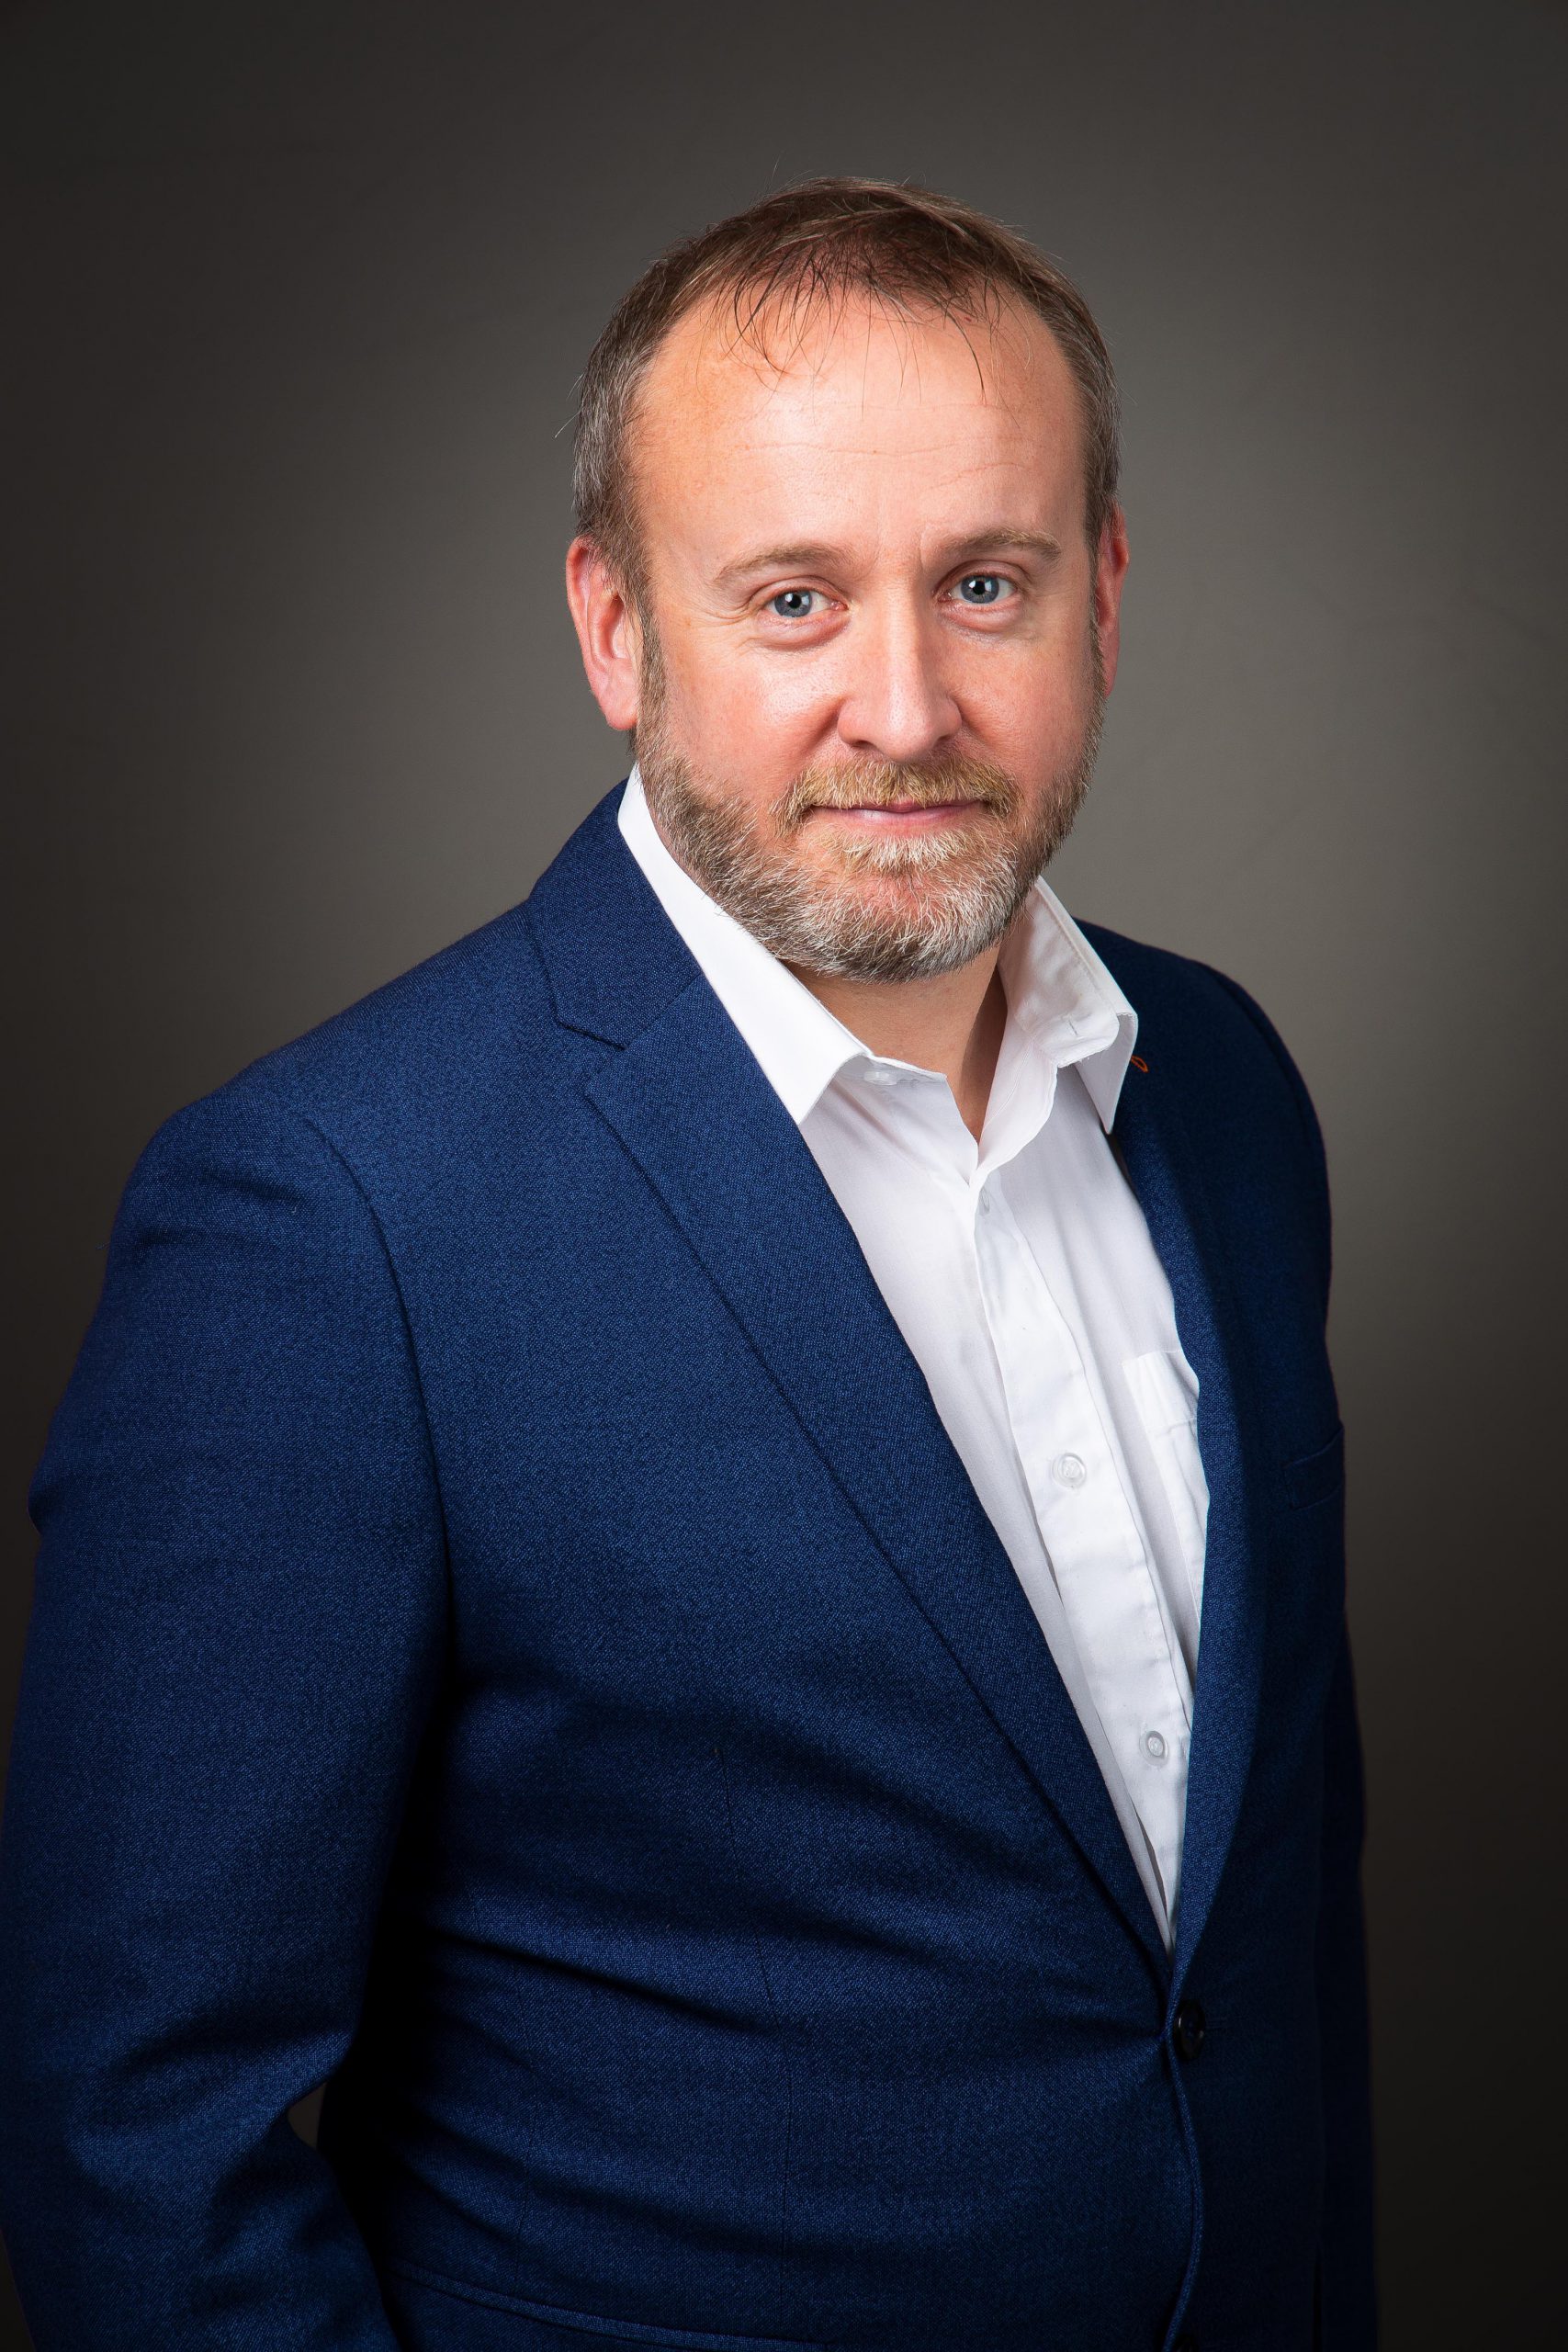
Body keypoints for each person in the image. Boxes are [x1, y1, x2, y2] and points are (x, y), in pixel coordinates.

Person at [0, 177, 1375, 2351]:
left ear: (1101, 596)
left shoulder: (1222, 1085)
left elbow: (1251, 1950)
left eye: (985, 582)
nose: (902, 705)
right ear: (616, 629)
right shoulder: (322, 1217)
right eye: (792, 598)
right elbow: (143, 2141)